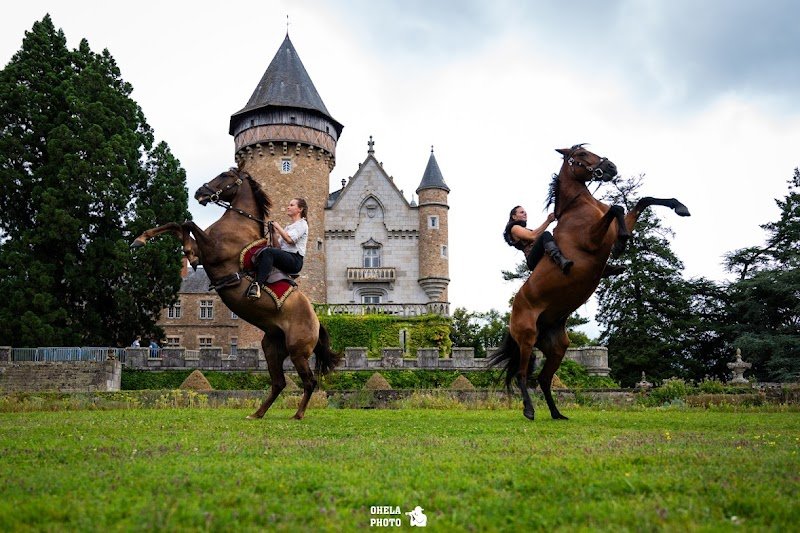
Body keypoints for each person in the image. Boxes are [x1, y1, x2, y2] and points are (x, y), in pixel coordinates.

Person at [247, 197, 309, 299]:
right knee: (264, 252)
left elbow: (289, 240)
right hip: (285, 257)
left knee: (269, 252)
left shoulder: (302, 224)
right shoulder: (289, 227)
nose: (288, 207)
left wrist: (278, 227)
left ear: (300, 209)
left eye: (292, 205)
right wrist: (274, 233)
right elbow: (278, 247)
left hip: (295, 260)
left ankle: (257, 285)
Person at [503, 206, 573, 273]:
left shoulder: (524, 229)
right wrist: (548, 221)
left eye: (525, 212)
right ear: (514, 216)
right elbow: (533, 236)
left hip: (539, 254)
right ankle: (559, 259)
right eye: (521, 212)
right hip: (532, 259)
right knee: (545, 234)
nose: (525, 214)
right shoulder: (514, 228)